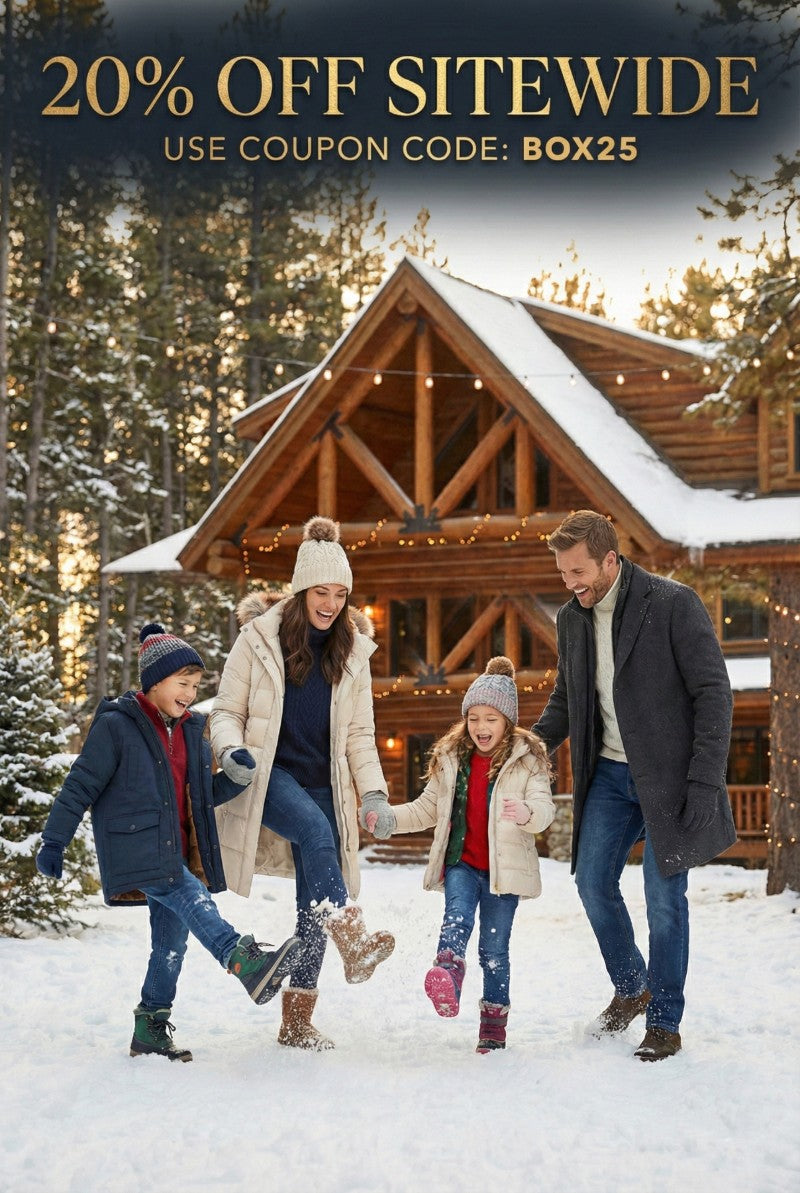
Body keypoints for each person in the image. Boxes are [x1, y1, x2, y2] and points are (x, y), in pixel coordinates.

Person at [36, 623, 303, 1063]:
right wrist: (53, 841)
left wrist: (235, 779)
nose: (191, 694)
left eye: (196, 686)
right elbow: (80, 785)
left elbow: (201, 795)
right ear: (156, 681)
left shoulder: (190, 731)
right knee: (193, 898)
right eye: (183, 683)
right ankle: (243, 959)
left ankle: (151, 1028)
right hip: (136, 846)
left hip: (174, 849)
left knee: (170, 944)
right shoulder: (117, 726)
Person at [532, 509, 736, 1061]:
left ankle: (665, 1021)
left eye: (579, 572)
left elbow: (714, 693)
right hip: (609, 774)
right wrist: (531, 745)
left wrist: (704, 781)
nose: (571, 585)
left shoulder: (672, 603)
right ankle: (632, 988)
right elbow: (567, 697)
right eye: (563, 574)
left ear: (609, 560)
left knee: (663, 898)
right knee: (592, 881)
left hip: (670, 778)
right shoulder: (571, 619)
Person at [209, 515, 395, 1052]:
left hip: (323, 782)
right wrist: (230, 750)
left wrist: (374, 792)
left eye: (341, 593)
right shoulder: (257, 640)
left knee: (312, 903)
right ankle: (353, 939)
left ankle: (296, 1021)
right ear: (301, 591)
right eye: (321, 592)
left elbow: (360, 734)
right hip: (267, 774)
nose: (331, 604)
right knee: (315, 833)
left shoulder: (353, 652)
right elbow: (226, 711)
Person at [361, 657, 555, 1054]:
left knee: (493, 950)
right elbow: (425, 809)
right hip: (461, 864)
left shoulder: (528, 761)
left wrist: (527, 813)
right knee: (456, 919)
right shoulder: (452, 760)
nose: (481, 727)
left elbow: (544, 808)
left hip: (504, 875)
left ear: (507, 721)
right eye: (474, 718)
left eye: (491, 719)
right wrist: (389, 820)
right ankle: (447, 974)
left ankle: (493, 1027)